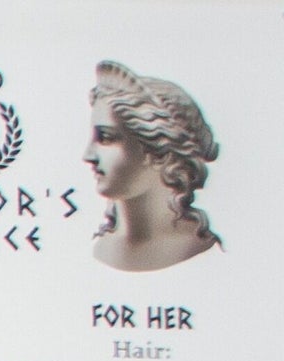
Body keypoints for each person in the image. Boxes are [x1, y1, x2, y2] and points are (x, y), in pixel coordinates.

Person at [88, 60, 222, 271]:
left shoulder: (199, 253)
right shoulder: (98, 250)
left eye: (106, 138)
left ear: (160, 150)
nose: (88, 156)